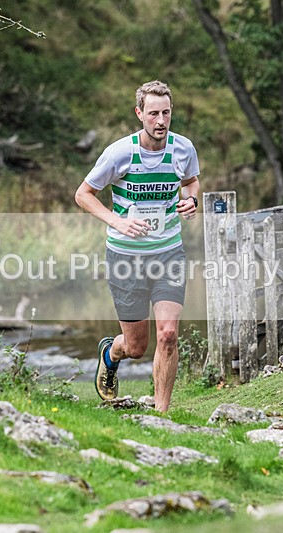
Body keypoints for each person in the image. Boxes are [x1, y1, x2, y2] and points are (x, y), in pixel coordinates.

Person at [75, 80, 200, 413]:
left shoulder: (183, 148)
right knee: (136, 347)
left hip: (168, 251)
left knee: (169, 334)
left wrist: (191, 200)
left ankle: (162, 416)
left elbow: (190, 181)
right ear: (139, 114)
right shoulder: (120, 153)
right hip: (126, 257)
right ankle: (110, 354)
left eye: (166, 113)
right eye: (153, 113)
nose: (161, 121)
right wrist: (117, 221)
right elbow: (83, 194)